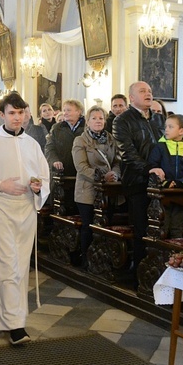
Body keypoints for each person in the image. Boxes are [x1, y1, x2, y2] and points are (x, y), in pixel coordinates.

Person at [0, 92, 50, 345]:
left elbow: (44, 176)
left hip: (26, 211)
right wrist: (0, 186)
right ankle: (11, 323)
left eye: (21, 113)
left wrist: (39, 187)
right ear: (2, 114)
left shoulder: (32, 144)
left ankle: (12, 319)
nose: (17, 118)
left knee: (18, 266)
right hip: (1, 210)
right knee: (6, 264)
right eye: (12, 113)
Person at [113, 81, 165, 279]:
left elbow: (167, 146)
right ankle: (140, 273)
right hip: (137, 182)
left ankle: (160, 270)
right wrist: (149, 169)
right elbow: (127, 152)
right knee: (142, 228)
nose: (148, 93)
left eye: (150, 90)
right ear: (131, 97)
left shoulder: (159, 119)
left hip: (160, 182)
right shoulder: (122, 120)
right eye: (143, 91)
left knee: (160, 228)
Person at [71, 106, 121, 267]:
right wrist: (100, 176)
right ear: (87, 121)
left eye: (101, 118)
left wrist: (115, 174)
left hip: (108, 190)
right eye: (94, 118)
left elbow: (117, 161)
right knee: (88, 226)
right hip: (87, 191)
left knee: (105, 226)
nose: (98, 121)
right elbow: (81, 167)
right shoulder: (81, 140)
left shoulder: (111, 139)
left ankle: (103, 258)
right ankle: (87, 258)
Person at [148, 114, 183, 238]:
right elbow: (152, 167)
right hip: (162, 194)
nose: (166, 129)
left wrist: (182, 183)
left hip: (179, 193)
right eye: (166, 126)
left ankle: (176, 255)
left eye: (171, 127)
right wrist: (165, 182)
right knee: (162, 226)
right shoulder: (160, 147)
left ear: (181, 131)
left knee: (177, 227)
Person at [45, 99, 85, 177]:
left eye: (68, 110)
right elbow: (49, 147)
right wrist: (54, 161)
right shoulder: (57, 128)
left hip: (81, 174)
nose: (65, 113)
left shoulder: (87, 128)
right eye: (64, 110)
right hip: (61, 173)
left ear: (78, 112)